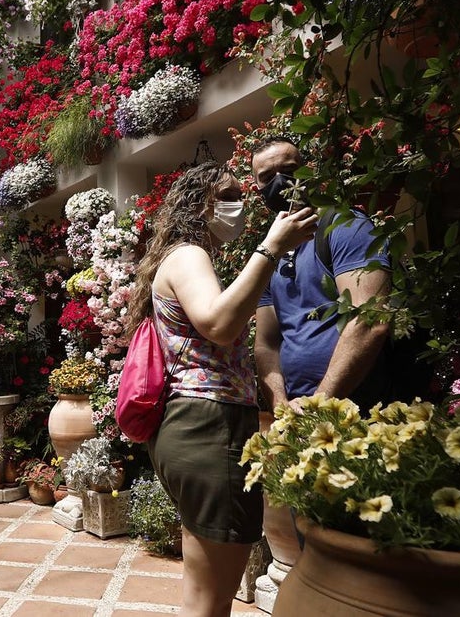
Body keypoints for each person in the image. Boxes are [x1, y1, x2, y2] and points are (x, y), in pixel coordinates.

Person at [124, 161, 316, 617]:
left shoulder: (180, 256)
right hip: (211, 427)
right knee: (212, 601)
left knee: (201, 594)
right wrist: (271, 246)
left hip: (190, 426)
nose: (240, 204)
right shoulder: (190, 255)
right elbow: (219, 323)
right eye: (228, 195)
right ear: (200, 205)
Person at [250, 136, 393, 411]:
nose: (280, 182)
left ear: (309, 172)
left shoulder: (345, 227)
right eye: (267, 177)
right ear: (258, 190)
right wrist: (282, 407)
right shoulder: (271, 254)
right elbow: (266, 343)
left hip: (358, 410)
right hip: (297, 412)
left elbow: (371, 319)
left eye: (289, 171)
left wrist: (319, 403)